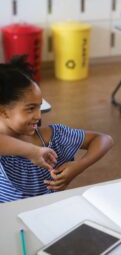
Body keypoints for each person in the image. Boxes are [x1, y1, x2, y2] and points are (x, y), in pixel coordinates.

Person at [0, 56, 113, 203]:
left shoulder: (53, 137)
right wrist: (32, 152)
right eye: (30, 109)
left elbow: (104, 139)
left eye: (39, 106)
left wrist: (79, 166)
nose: (39, 116)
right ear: (3, 112)